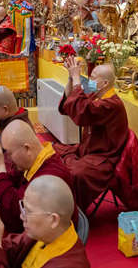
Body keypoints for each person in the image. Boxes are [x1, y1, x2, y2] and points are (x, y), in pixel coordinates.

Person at [0, 118, 73, 235]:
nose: (9, 159)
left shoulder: (51, 177)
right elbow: (8, 180)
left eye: (10, 153)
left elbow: (14, 216)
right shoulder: (34, 160)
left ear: (27, 149)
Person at [55, 58, 128, 211]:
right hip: (86, 150)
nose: (89, 81)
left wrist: (77, 78)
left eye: (93, 78)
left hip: (104, 158)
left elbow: (82, 111)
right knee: (52, 153)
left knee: (76, 173)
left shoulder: (112, 104)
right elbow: (69, 105)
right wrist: (71, 78)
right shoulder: (95, 95)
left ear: (105, 83)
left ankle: (72, 211)